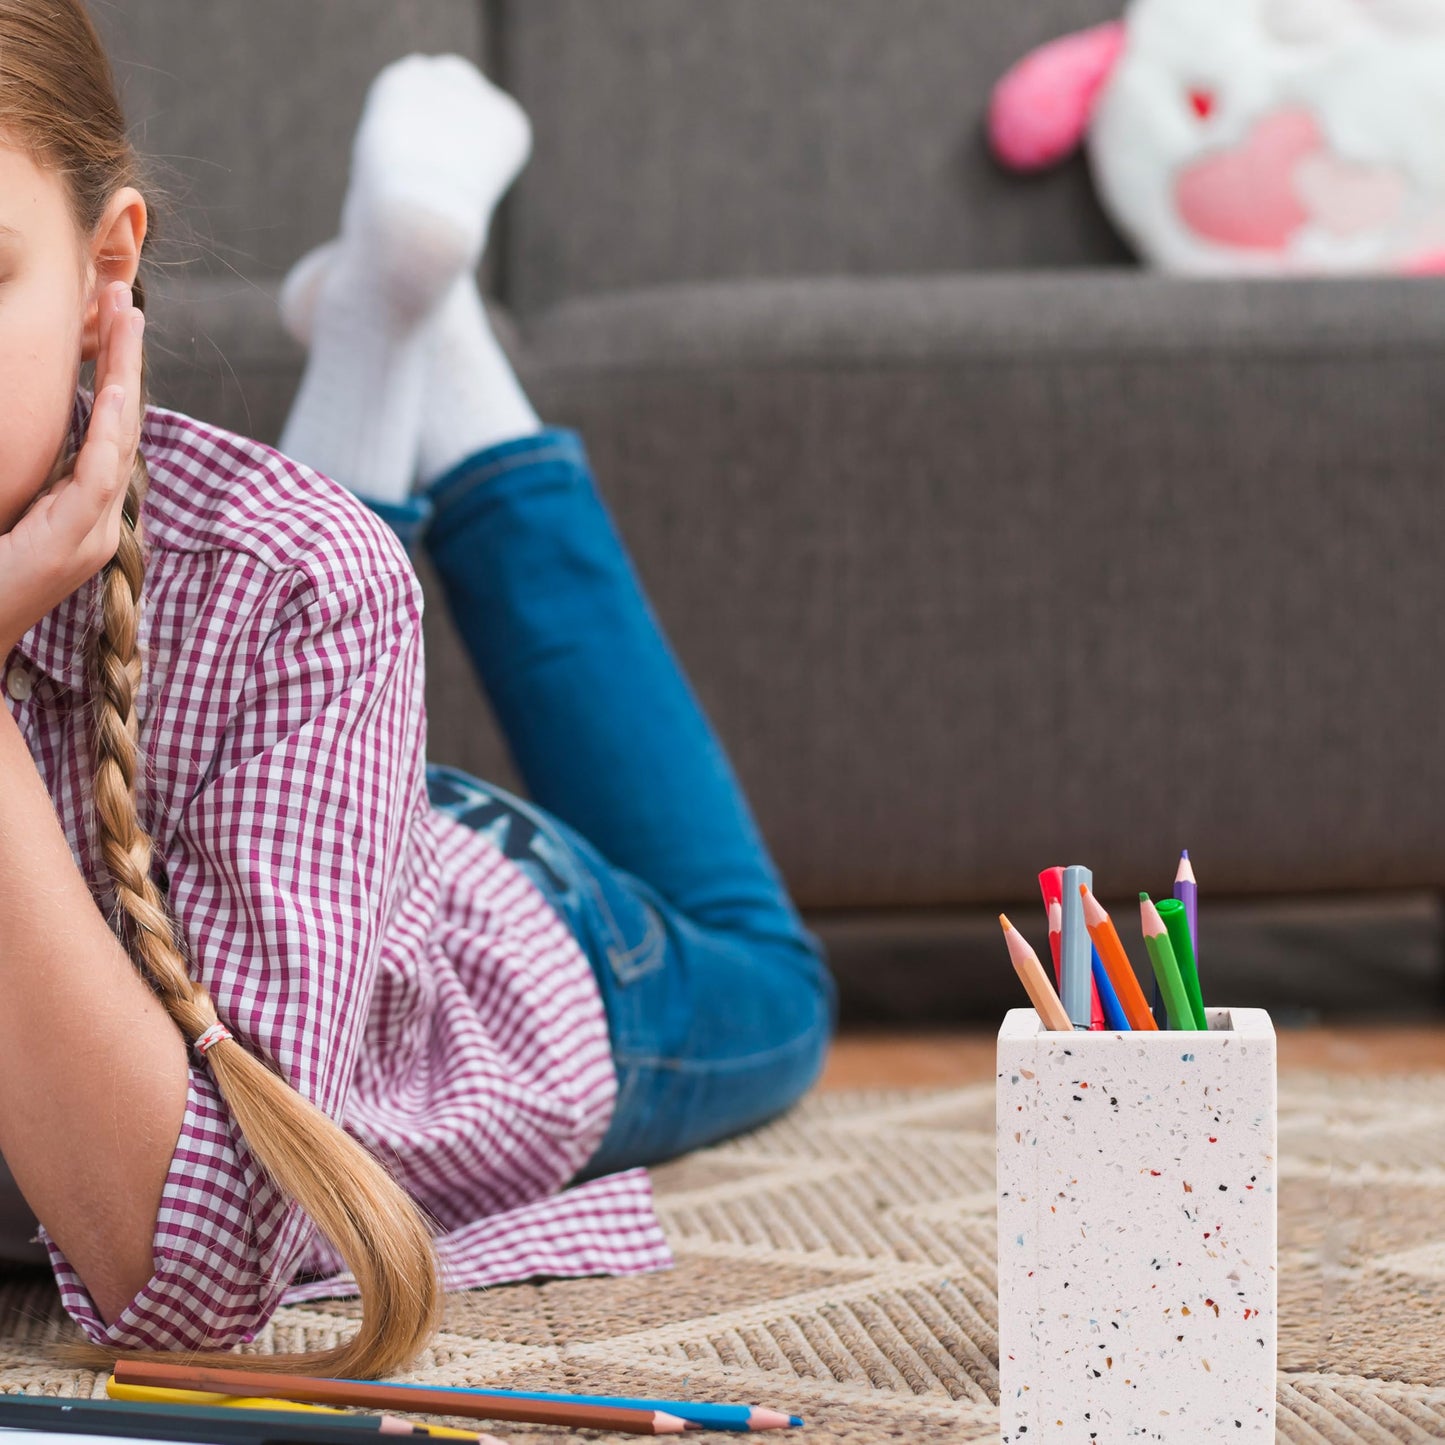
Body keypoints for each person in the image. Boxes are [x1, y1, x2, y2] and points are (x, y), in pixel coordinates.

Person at [0, 10, 835, 1380]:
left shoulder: (297, 581)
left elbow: (193, 1294)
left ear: (106, 277)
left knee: (773, 986)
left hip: (505, 959)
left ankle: (429, 338)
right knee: (272, 585)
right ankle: (392, 311)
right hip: (288, 773)